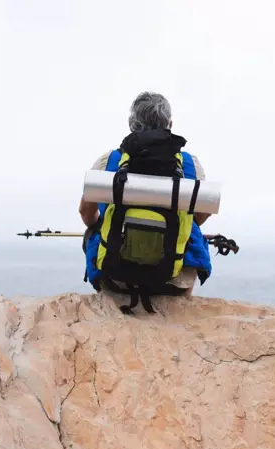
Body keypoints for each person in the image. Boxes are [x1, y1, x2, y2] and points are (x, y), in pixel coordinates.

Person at [79, 91, 213, 305]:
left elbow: (85, 212)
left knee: (92, 230)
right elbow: (203, 212)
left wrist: (98, 224)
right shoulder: (191, 165)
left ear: (131, 124)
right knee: (193, 232)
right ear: (169, 123)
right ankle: (182, 299)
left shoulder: (108, 162)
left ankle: (106, 294)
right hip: (172, 280)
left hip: (116, 278)